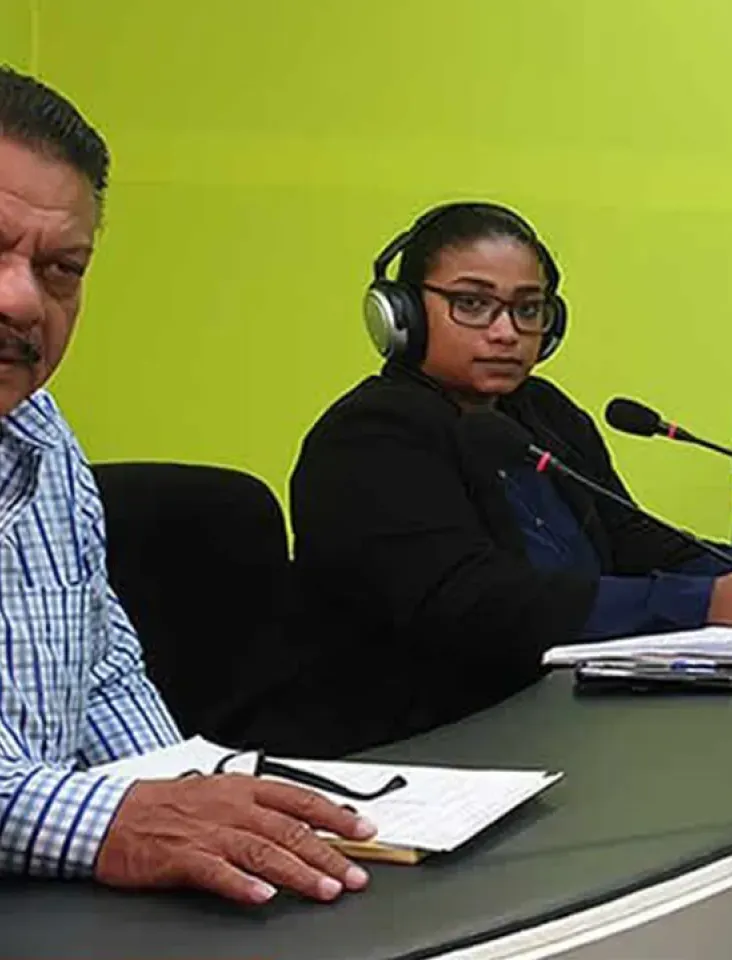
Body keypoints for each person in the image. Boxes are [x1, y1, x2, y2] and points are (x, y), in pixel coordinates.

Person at [0, 66, 373, 905]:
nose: (22, 300)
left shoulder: (41, 434)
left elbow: (101, 672)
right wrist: (119, 823)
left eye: (61, 268)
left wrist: (204, 809)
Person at [266, 201, 732, 757]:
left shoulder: (540, 411)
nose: (506, 332)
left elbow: (631, 538)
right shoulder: (368, 437)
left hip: (563, 722)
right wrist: (706, 601)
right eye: (472, 304)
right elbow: (475, 604)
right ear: (403, 315)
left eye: (528, 309)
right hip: (425, 746)